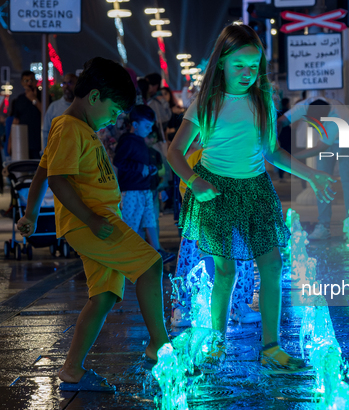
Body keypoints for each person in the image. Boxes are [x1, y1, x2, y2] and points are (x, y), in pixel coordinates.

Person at [167, 24, 335, 373]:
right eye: (239, 65)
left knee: (272, 265)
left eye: (254, 66)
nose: (247, 73)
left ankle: (271, 347)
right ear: (222, 62)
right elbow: (174, 153)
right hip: (216, 191)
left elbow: (272, 151)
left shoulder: (263, 101)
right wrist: (193, 181)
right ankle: (216, 342)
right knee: (225, 272)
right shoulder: (206, 103)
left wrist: (312, 174)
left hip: (256, 190)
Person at [16, 57, 171, 391]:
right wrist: (89, 217)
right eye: (113, 111)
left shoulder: (75, 127)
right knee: (151, 264)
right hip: (92, 222)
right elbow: (58, 180)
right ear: (95, 96)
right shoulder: (70, 127)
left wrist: (29, 214)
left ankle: (72, 370)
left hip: (95, 221)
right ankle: (159, 344)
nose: (112, 119)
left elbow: (43, 170)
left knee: (102, 296)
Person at [171, 148, 261, 327]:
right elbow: (184, 184)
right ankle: (183, 305)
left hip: (234, 215)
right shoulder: (197, 157)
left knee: (241, 257)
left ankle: (238, 304)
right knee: (192, 259)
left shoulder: (240, 151)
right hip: (201, 214)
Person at [277, 97, 349, 240]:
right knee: (321, 181)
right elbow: (281, 121)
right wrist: (273, 140)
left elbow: (319, 148)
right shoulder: (303, 107)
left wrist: (290, 158)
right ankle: (324, 226)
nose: (312, 127)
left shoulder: (335, 119)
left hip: (348, 138)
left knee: (347, 179)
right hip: (331, 136)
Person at [113, 105, 175, 262]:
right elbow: (119, 161)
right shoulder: (127, 141)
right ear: (135, 125)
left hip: (143, 188)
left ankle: (156, 251)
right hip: (132, 190)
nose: (149, 129)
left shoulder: (139, 141)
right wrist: (140, 168)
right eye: (147, 126)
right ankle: (127, 253)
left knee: (149, 220)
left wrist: (148, 169)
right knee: (131, 223)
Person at [10, 70, 42, 159]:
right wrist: (11, 143)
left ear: (35, 81)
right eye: (26, 81)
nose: (29, 83)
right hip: (23, 142)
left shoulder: (43, 96)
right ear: (22, 83)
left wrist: (34, 100)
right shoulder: (20, 99)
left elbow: (47, 114)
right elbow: (15, 121)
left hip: (40, 142)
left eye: (31, 80)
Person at [42, 73, 78, 151]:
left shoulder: (82, 107)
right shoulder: (54, 107)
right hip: (58, 154)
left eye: (70, 83)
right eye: (64, 83)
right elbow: (46, 132)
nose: (66, 86)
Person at [145, 73, 172, 139]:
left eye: (148, 84)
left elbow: (167, 116)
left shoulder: (157, 100)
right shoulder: (151, 98)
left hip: (155, 136)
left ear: (155, 86)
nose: (146, 86)